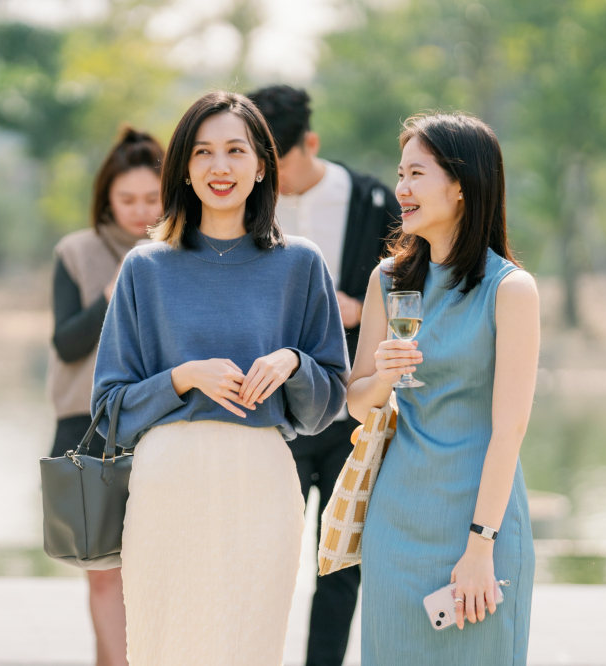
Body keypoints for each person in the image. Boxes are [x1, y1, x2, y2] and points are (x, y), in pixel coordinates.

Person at [91, 91, 349, 666]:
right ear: (184, 166)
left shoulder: (301, 264)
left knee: (250, 648)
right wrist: (182, 377)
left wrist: (294, 363)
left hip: (262, 485)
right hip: (168, 485)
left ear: (262, 165)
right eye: (203, 152)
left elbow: (328, 402)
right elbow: (107, 409)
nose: (220, 167)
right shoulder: (145, 266)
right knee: (166, 647)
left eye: (236, 150)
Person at [347, 112, 539, 664]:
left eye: (416, 174)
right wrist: (382, 376)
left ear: (460, 186)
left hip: (482, 523)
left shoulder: (511, 290)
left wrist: (481, 545)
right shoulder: (387, 279)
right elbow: (359, 405)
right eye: (400, 174)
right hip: (397, 522)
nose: (401, 189)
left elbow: (511, 429)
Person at [247, 84, 402, 666]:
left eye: (277, 165)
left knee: (340, 568)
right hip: (274, 414)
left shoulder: (373, 201)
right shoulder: (244, 206)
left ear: (309, 142)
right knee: (262, 564)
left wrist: (363, 310)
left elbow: (405, 285)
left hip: (350, 415)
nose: (270, 181)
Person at [48, 127, 164, 666]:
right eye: (127, 199)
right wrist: (113, 292)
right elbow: (67, 343)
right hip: (87, 430)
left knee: (150, 576)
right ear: (106, 198)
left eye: (151, 199)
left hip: (159, 429)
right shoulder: (76, 251)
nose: (139, 211)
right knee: (102, 576)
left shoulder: (182, 252)